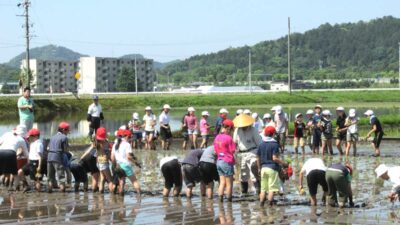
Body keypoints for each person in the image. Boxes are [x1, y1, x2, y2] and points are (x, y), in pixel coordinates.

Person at [257, 126, 288, 207]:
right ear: (273, 134)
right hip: (272, 168)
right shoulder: (274, 144)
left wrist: (259, 168)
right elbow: (274, 158)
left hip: (263, 168)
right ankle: (270, 206)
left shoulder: (261, 143)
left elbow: (258, 157)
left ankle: (261, 205)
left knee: (263, 189)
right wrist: (283, 163)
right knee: (271, 189)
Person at [232, 114, 261, 194]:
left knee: (253, 173)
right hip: (241, 154)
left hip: (252, 152)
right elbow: (235, 143)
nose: (243, 127)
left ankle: (258, 192)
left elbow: (259, 144)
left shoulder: (253, 130)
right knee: (243, 175)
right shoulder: (237, 130)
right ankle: (244, 193)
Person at [111, 129, 141, 197]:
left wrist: (114, 166)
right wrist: (136, 163)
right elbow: (129, 157)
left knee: (121, 182)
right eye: (130, 137)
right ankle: (139, 198)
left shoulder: (115, 144)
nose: (130, 139)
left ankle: (120, 198)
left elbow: (112, 157)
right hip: (125, 166)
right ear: (126, 136)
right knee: (134, 181)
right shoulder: (127, 144)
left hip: (118, 166)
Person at [0, 125, 29, 191]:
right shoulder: (21, 139)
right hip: (11, 153)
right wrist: (28, 161)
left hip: (0, 152)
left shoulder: (7, 134)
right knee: (14, 173)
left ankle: (7, 185)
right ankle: (14, 187)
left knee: (2, 172)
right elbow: (26, 152)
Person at [214, 119, 236, 202]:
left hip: (219, 161)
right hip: (227, 161)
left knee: (222, 182)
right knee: (229, 184)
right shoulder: (229, 138)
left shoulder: (217, 137)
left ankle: (220, 200)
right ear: (229, 128)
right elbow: (233, 150)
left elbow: (215, 151)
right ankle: (229, 201)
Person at [47, 122, 70, 193]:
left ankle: (49, 190)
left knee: (50, 176)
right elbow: (66, 150)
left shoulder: (52, 137)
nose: (68, 132)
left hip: (49, 157)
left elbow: (48, 148)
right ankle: (62, 191)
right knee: (61, 176)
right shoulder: (64, 137)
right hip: (58, 157)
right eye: (67, 130)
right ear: (63, 130)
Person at [95, 127, 114, 193]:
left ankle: (101, 194)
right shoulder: (105, 143)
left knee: (102, 178)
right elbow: (109, 151)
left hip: (98, 162)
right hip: (104, 163)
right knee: (110, 180)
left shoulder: (96, 142)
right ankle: (112, 196)